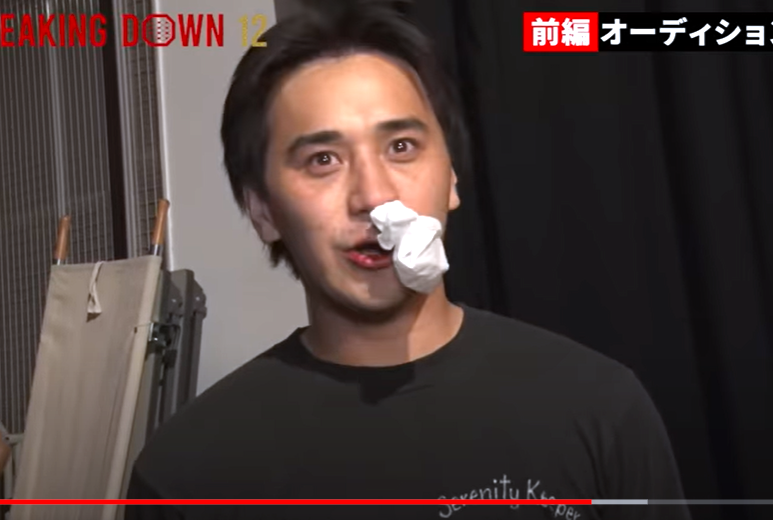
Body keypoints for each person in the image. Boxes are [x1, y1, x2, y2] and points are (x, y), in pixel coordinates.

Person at [126, 1, 691, 519]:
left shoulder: (600, 409)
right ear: (263, 210)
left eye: (401, 147)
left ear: (451, 178)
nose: (374, 197)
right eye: (323, 159)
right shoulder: (187, 476)